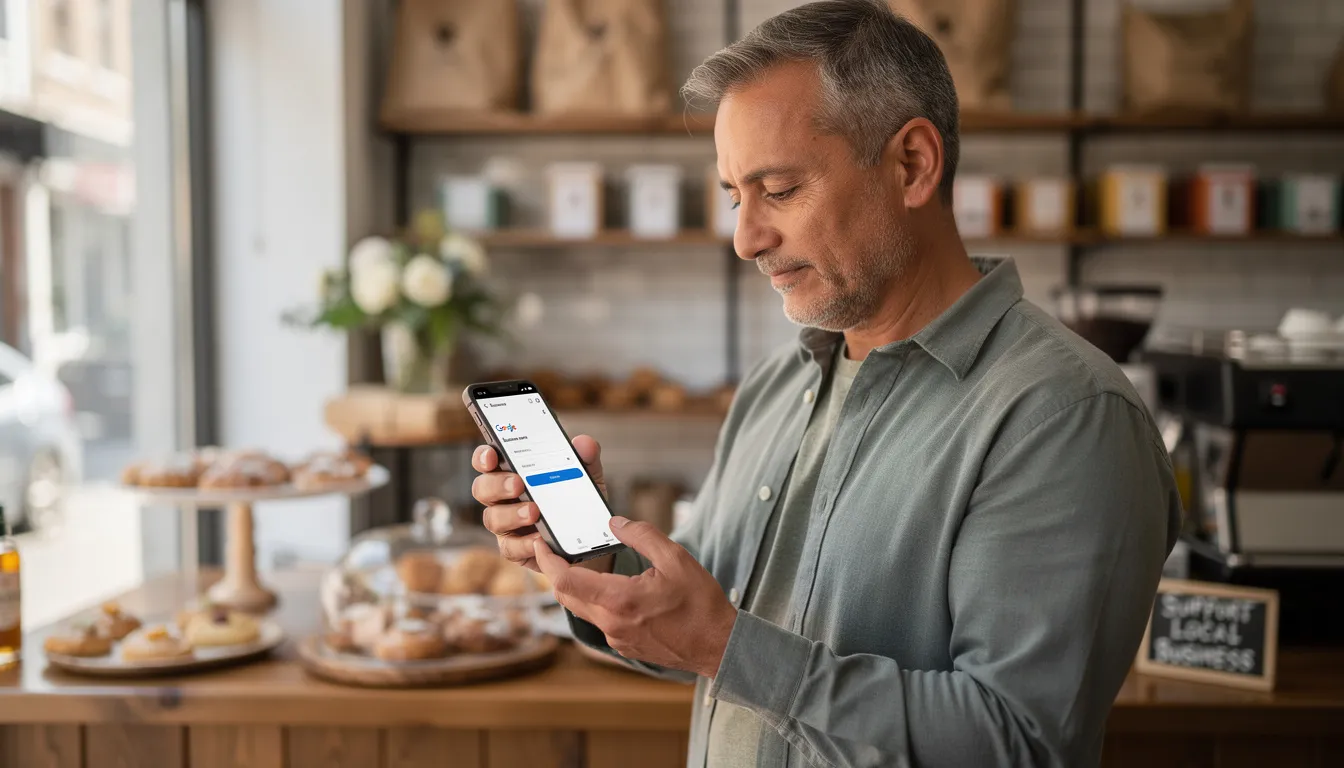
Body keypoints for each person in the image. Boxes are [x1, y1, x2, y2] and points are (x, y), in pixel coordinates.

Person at [470, 1, 1181, 765]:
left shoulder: (1065, 416)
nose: (747, 239)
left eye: (778, 190)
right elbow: (699, 624)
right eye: (734, 197)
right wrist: (599, 563)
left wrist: (727, 650)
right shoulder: (779, 385)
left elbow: (1018, 742)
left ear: (911, 164)